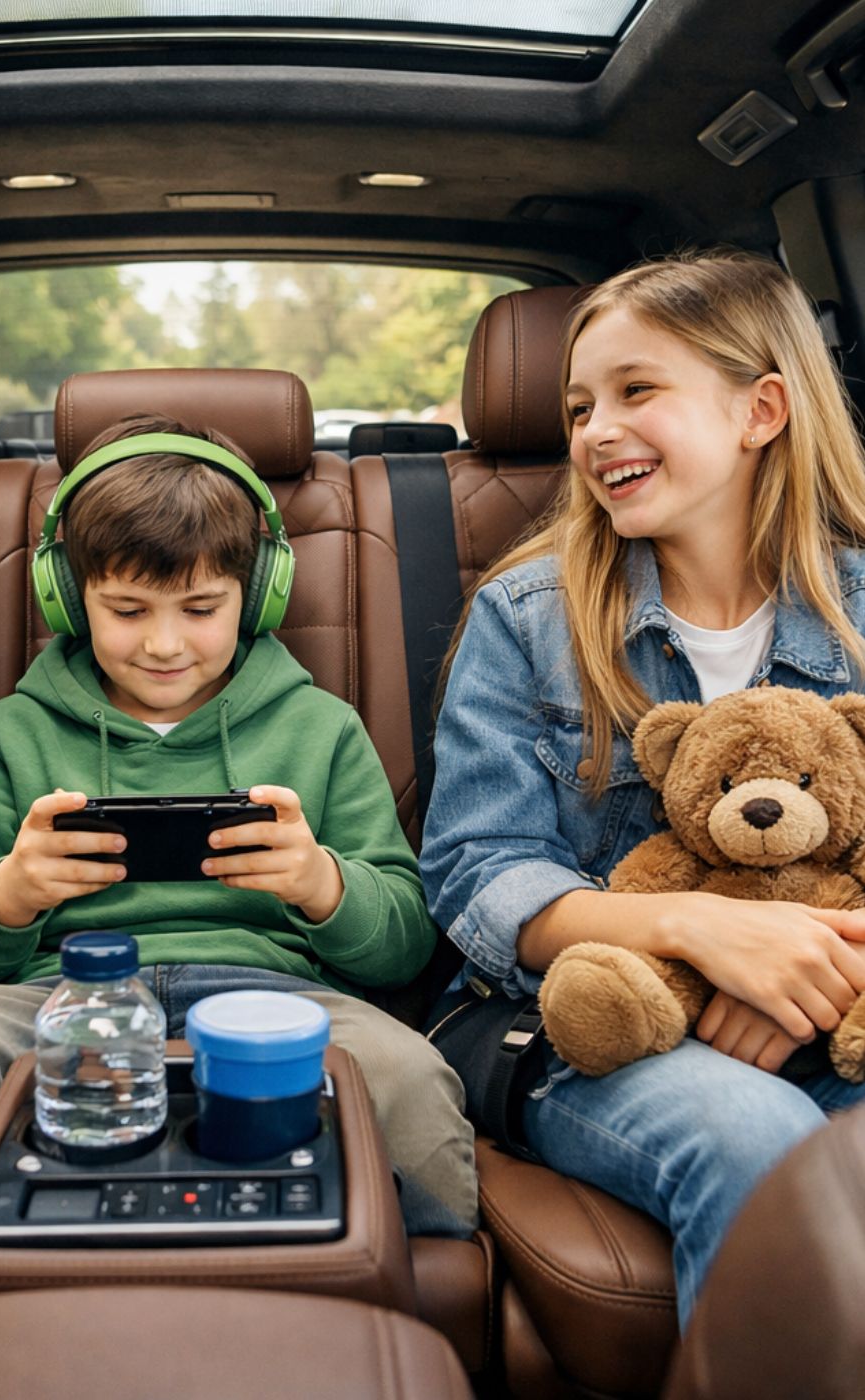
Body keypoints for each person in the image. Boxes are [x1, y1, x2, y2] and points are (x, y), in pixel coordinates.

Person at [0, 413, 477, 1281]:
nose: (164, 643)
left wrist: (322, 885)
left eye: (202, 609)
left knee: (408, 1076)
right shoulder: (8, 735)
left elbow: (404, 940)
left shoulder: (322, 728)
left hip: (277, 1000)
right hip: (58, 996)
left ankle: (419, 1303)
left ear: (257, 595)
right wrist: (9, 895)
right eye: (127, 610)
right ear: (68, 597)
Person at [420, 250, 865, 1329]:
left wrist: (808, 979)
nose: (594, 432)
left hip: (835, 1009)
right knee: (762, 1144)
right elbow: (479, 872)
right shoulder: (528, 617)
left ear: (761, 410)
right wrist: (703, 933)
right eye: (579, 408)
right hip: (582, 1018)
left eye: (635, 391)